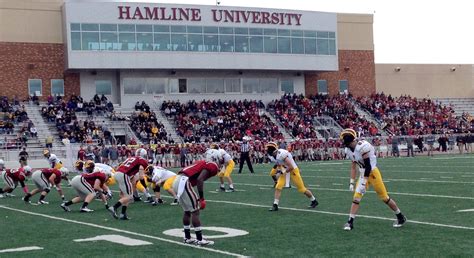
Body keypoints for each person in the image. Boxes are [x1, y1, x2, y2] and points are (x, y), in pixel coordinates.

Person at [339, 128, 406, 231]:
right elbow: (353, 166)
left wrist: (364, 182)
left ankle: (400, 216)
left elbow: (368, 166)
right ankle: (350, 222)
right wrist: (351, 182)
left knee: (384, 198)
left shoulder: (362, 147)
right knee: (356, 197)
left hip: (372, 173)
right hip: (363, 173)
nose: (343, 143)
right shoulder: (348, 150)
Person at [173, 156, 220, 246]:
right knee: (195, 211)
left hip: (177, 180)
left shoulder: (202, 162)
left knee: (187, 211)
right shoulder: (212, 165)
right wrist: (201, 198)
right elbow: (199, 179)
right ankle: (200, 239)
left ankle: (187, 237)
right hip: (184, 181)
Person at [265, 142, 318, 211]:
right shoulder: (273, 156)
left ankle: (314, 200)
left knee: (302, 189)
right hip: (285, 169)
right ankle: (275, 205)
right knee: (278, 187)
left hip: (293, 170)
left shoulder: (281, 154)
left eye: (268, 150)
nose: (267, 151)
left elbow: (291, 167)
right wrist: (279, 170)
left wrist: (281, 172)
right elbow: (279, 164)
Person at [108, 148, 148, 220]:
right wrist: (145, 186)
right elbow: (141, 177)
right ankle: (114, 207)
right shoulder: (142, 161)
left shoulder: (131, 158)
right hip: (124, 175)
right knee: (129, 196)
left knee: (126, 196)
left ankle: (123, 214)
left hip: (117, 173)